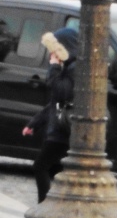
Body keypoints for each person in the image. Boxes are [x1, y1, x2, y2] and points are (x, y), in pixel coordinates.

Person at [22, 27, 78, 202]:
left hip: (63, 130)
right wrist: (34, 123)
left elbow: (62, 93)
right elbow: (54, 104)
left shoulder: (73, 68)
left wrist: (54, 68)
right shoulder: (68, 67)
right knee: (50, 168)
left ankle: (45, 205)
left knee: (41, 166)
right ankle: (49, 204)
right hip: (59, 128)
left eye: (55, 49)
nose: (52, 55)